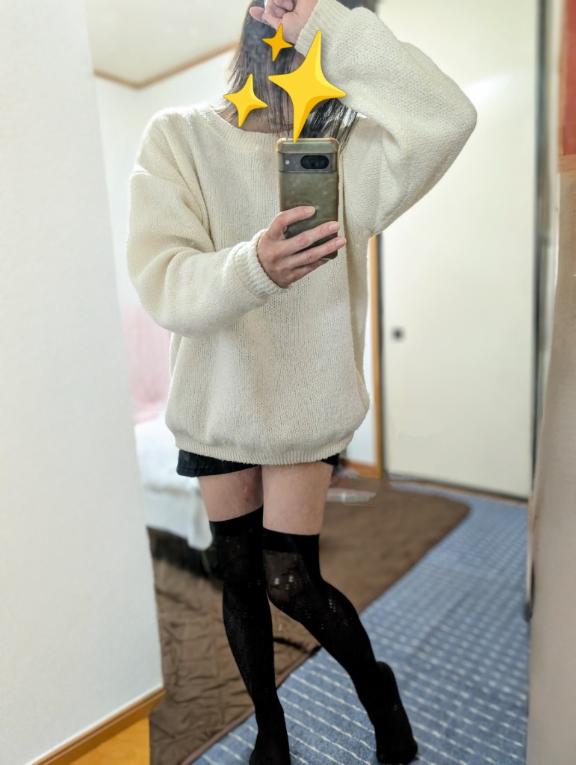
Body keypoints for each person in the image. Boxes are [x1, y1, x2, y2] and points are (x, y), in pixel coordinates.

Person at [126, 0, 477, 762]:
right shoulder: (179, 138)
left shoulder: (342, 154)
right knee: (238, 578)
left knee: (290, 580)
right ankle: (271, 730)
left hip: (304, 404)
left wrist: (327, 23)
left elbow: (447, 118)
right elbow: (164, 279)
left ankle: (377, 689)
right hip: (218, 400)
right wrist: (253, 266)